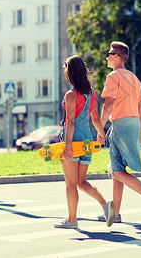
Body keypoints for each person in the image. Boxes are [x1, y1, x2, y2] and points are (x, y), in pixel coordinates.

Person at [97, 41, 141, 225]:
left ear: (118, 57)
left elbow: (108, 104)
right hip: (134, 124)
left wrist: (100, 129)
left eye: (110, 54)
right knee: (117, 170)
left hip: (121, 124)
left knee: (117, 171)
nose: (107, 57)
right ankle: (116, 213)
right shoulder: (135, 79)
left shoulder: (113, 76)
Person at [54, 55, 114, 229]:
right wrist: (101, 134)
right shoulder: (90, 93)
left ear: (70, 73)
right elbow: (95, 118)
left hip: (73, 143)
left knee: (71, 184)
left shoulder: (71, 94)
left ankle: (72, 220)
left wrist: (67, 147)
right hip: (86, 142)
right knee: (81, 182)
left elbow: (70, 122)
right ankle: (105, 204)